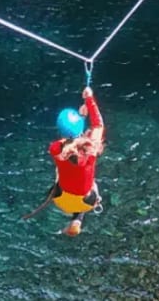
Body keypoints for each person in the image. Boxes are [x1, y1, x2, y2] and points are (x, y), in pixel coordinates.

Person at [22, 86, 105, 236]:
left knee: (60, 176)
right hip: (84, 202)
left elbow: (68, 142)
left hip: (60, 198)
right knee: (92, 184)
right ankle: (77, 220)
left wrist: (81, 118)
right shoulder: (90, 151)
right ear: (80, 130)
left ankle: (74, 218)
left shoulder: (55, 148)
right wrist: (89, 99)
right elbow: (98, 125)